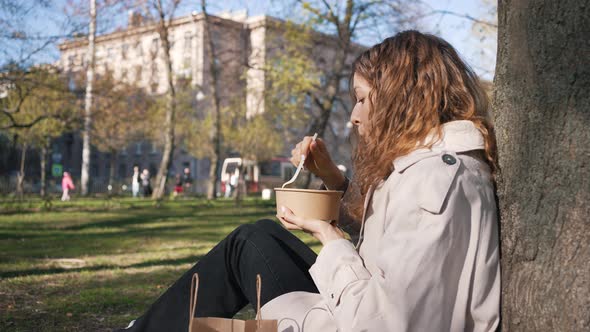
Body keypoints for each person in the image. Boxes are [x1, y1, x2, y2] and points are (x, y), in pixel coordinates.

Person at [117, 31, 499, 332]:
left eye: (363, 99)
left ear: (402, 98)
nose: (354, 116)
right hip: (355, 302)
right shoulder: (436, 166)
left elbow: (385, 325)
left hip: (356, 317)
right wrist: (330, 176)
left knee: (248, 244)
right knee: (254, 239)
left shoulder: (435, 182)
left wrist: (329, 237)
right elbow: (389, 226)